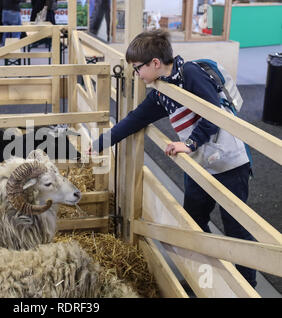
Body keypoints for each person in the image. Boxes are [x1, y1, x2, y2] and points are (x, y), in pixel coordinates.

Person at [90, 30, 257, 288]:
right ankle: (204, 277)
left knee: (236, 229)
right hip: (199, 164)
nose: (136, 74)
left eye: (137, 69)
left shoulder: (190, 74)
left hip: (229, 162)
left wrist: (188, 144)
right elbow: (136, 119)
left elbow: (213, 114)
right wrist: (100, 143)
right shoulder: (161, 90)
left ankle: (247, 287)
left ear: (155, 63)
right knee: (194, 221)